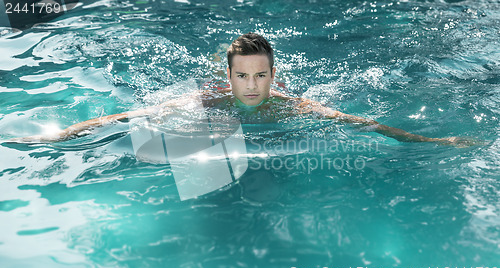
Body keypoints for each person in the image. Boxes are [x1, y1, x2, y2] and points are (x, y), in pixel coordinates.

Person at [9, 32, 474, 146]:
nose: (252, 86)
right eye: (242, 76)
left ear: (274, 77)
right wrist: (60, 135)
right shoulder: (203, 101)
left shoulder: (291, 106)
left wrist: (431, 140)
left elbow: (362, 122)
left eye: (260, 75)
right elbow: (122, 118)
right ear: (228, 79)